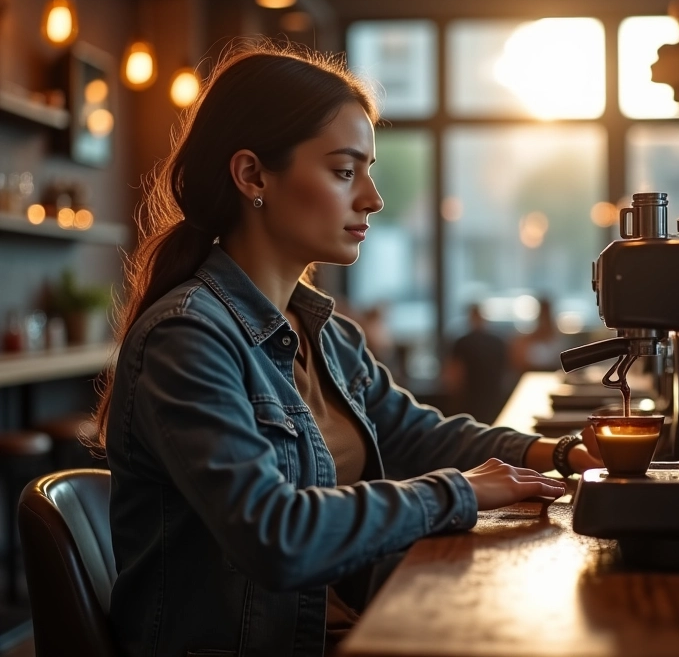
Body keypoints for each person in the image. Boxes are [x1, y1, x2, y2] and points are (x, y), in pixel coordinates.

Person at [94, 40, 601, 657]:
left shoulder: (325, 332)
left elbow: (414, 434)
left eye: (368, 170)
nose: (373, 198)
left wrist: (561, 452)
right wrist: (460, 491)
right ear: (253, 175)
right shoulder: (188, 338)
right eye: (344, 171)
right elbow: (274, 534)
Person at [443, 302, 510, 424]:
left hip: (471, 401)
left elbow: (454, 375)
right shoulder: (498, 341)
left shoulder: (462, 342)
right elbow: (508, 371)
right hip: (494, 399)